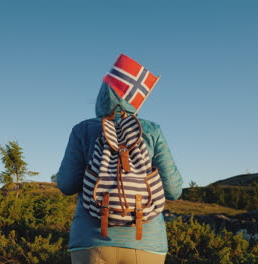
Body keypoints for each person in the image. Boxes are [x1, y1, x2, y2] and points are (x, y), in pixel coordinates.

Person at [57, 54, 183, 264]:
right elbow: (173, 190)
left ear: (101, 97)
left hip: (90, 240)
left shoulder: (83, 129)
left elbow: (67, 184)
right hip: (146, 242)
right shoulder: (152, 130)